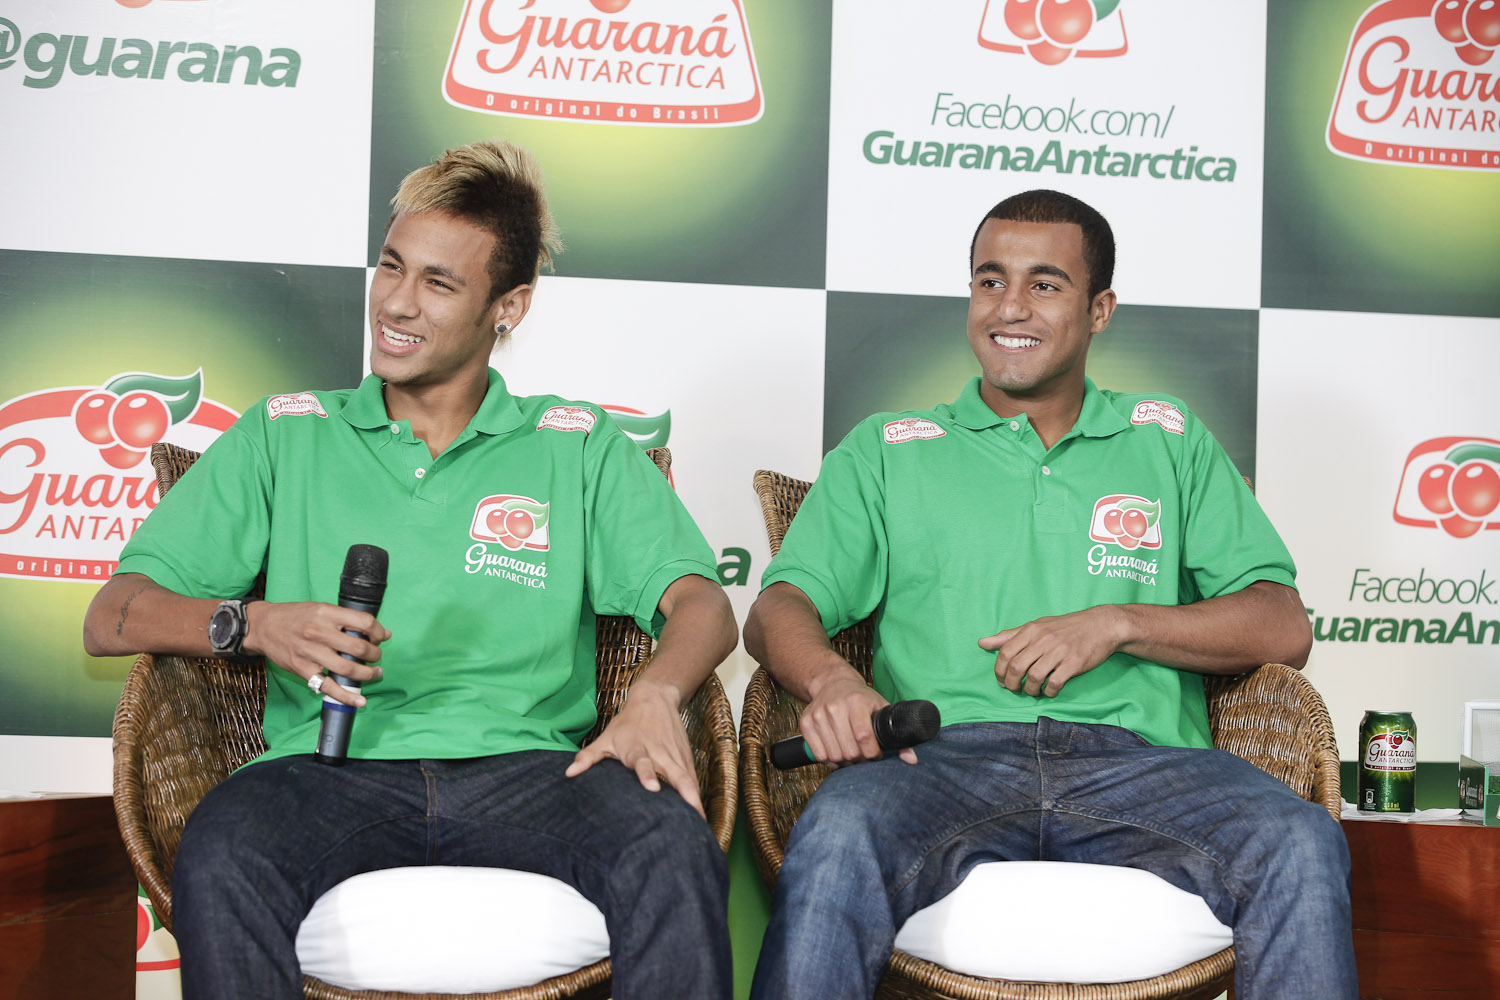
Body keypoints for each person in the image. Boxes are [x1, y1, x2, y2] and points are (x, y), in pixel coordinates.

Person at [83, 139, 736, 1000]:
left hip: (533, 772)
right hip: (324, 770)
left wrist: (655, 694)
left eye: (438, 282)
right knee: (223, 848)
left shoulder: (573, 442)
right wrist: (255, 624)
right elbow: (112, 614)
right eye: (391, 265)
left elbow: (703, 605)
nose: (395, 302)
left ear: (510, 307)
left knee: (671, 845)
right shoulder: (287, 430)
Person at [744, 189, 1356, 1000]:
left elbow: (1283, 625)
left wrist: (1117, 623)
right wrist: (832, 681)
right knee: (838, 830)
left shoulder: (1164, 436)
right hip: (942, 759)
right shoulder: (889, 449)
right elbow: (777, 608)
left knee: (1301, 840)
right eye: (990, 281)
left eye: (1046, 284)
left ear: (1099, 309)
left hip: (1145, 767)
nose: (1011, 308)